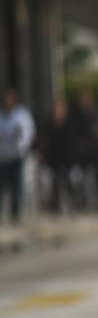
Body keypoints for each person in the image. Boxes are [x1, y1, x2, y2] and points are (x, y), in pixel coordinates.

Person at [0, 88, 36, 223]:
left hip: (16, 156)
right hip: (2, 157)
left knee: (17, 187)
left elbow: (28, 133)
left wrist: (21, 143)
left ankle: (16, 215)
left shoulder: (21, 115)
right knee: (2, 187)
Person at [42, 98, 76, 213]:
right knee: (55, 182)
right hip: (54, 158)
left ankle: (71, 203)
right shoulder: (49, 123)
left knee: (68, 182)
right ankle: (56, 205)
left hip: (67, 158)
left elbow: (72, 140)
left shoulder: (69, 123)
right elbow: (46, 141)